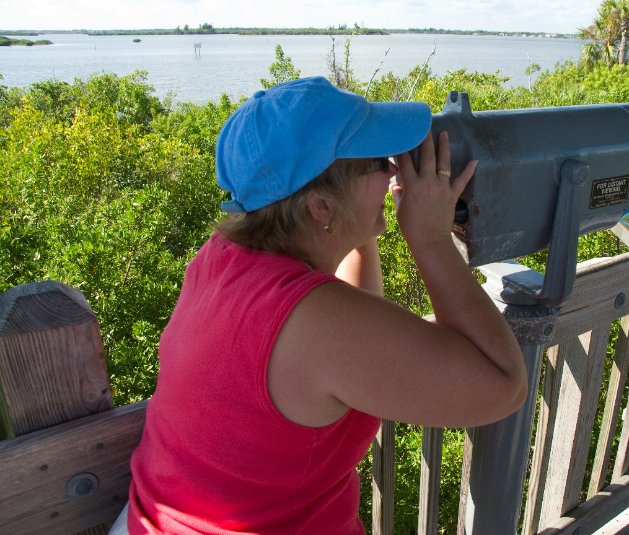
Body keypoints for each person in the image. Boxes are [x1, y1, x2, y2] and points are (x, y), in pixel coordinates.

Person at [121, 76, 526, 534]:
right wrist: (431, 239)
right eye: (378, 161)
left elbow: (354, 334)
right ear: (321, 208)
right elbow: (503, 386)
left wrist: (356, 229)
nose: (394, 170)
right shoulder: (312, 321)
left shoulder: (219, 261)